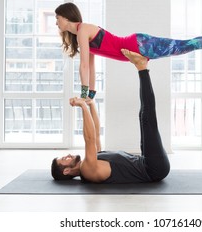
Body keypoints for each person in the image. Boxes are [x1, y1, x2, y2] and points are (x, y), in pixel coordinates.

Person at [55, 2, 202, 99]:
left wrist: (83, 96)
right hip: (138, 49)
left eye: (58, 18)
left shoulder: (83, 29)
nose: (56, 22)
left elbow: (83, 66)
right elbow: (90, 67)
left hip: (139, 44)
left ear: (66, 16)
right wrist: (90, 95)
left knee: (186, 45)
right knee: (185, 46)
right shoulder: (81, 37)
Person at [51, 49, 170, 183]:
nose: (67, 155)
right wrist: (83, 107)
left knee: (144, 116)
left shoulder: (91, 160)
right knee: (147, 117)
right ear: (66, 171)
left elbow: (95, 135)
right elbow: (89, 139)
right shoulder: (87, 169)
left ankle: (141, 67)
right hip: (153, 169)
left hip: (146, 161)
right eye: (64, 159)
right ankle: (142, 67)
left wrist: (91, 104)